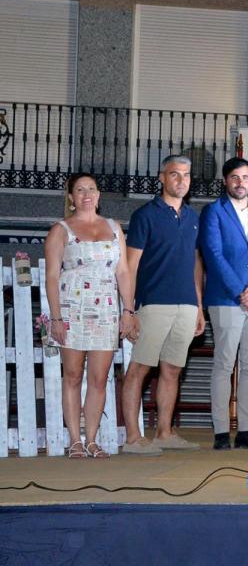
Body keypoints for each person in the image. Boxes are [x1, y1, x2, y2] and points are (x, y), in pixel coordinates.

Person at [43, 173, 137, 458]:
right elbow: (51, 276)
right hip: (72, 311)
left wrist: (128, 310)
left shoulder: (114, 228)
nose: (86, 194)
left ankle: (92, 439)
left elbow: (123, 271)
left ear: (98, 195)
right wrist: (56, 318)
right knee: (72, 375)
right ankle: (74, 440)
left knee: (99, 378)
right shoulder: (60, 230)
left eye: (91, 189)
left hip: (106, 311)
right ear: (71, 197)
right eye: (80, 190)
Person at [121, 155, 205, 455]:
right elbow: (130, 266)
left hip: (185, 306)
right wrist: (128, 310)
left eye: (186, 175)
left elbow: (196, 263)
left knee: (172, 370)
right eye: (174, 174)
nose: (181, 180)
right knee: (139, 369)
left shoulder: (194, 217)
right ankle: (132, 438)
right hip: (153, 304)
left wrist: (198, 306)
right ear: (162, 177)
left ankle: (165, 433)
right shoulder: (145, 215)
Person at [199, 157, 248, 450]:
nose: (240, 182)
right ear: (226, 181)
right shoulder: (213, 212)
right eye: (234, 177)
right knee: (224, 363)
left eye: (245, 177)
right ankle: (221, 431)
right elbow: (213, 255)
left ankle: (246, 430)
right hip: (226, 299)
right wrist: (240, 292)